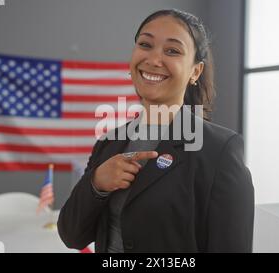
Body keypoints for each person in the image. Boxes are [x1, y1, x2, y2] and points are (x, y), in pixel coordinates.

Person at [58, 9, 254, 253]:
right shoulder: (110, 142)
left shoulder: (220, 150)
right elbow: (72, 236)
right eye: (145, 44)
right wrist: (97, 183)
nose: (153, 59)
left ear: (195, 71)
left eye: (172, 50)